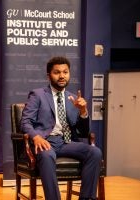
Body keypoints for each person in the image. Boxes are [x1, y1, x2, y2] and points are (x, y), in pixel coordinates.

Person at [20, 56, 102, 200]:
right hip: (45, 141)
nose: (62, 76)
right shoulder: (38, 95)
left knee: (94, 152)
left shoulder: (72, 99)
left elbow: (83, 133)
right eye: (57, 72)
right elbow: (25, 122)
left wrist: (83, 111)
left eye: (65, 72)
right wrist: (36, 137)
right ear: (49, 75)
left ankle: (87, 198)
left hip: (66, 142)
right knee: (47, 155)